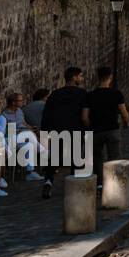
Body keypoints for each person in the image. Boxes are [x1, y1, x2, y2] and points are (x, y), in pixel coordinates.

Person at [40, 66, 89, 199]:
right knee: (76, 159)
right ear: (74, 77)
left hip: (57, 129)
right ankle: (73, 187)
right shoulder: (82, 93)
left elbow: (46, 115)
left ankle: (48, 181)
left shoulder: (55, 94)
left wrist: (45, 133)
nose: (81, 78)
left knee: (54, 158)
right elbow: (85, 115)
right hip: (75, 129)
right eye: (80, 76)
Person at [82, 66, 129, 192]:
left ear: (98, 78)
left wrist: (90, 127)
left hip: (95, 131)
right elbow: (124, 113)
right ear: (110, 77)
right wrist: (126, 122)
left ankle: (100, 184)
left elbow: (85, 117)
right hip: (112, 129)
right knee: (114, 157)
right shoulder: (116, 93)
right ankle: (115, 184)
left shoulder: (90, 95)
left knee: (97, 158)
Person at [1, 91, 44, 181]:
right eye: (20, 100)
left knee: (29, 145)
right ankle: (44, 152)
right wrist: (24, 131)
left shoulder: (20, 111)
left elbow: (24, 123)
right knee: (28, 134)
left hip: (22, 137)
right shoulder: (4, 115)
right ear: (13, 102)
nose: (22, 102)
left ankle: (30, 173)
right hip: (10, 139)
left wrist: (31, 128)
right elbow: (6, 132)